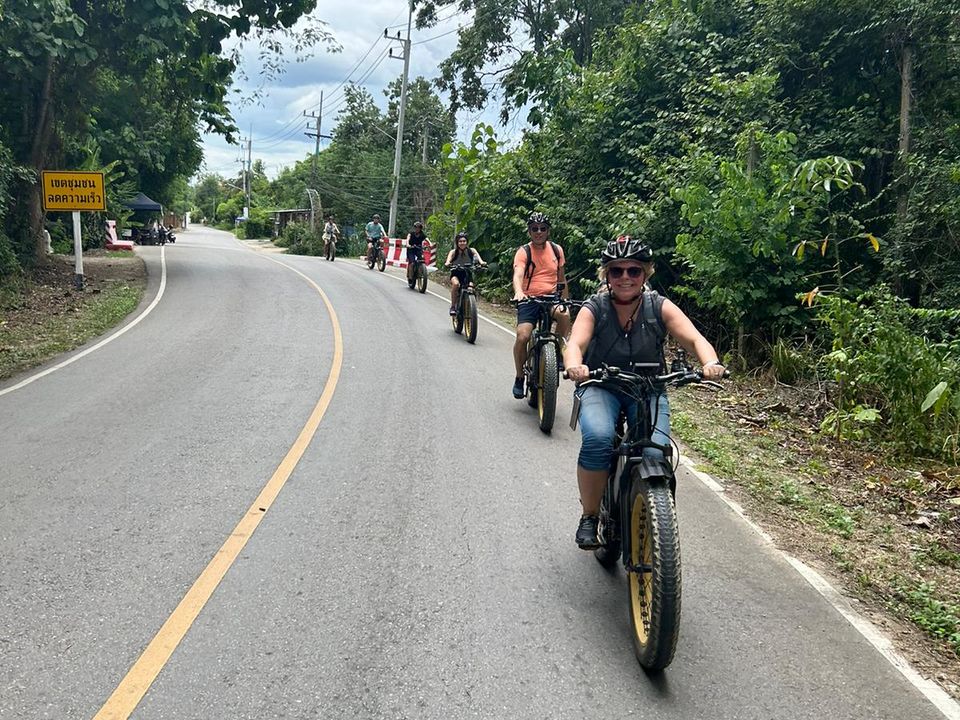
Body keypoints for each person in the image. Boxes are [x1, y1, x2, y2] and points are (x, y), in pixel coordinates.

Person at [563, 235, 726, 549]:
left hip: (649, 387)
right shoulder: (594, 307)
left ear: (646, 274)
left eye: (633, 271)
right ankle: (590, 516)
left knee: (655, 453)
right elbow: (576, 344)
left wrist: (710, 363)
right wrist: (575, 366)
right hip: (602, 385)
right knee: (597, 438)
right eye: (617, 271)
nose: (625, 277)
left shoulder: (659, 306)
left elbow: (694, 339)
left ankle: (656, 516)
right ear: (606, 276)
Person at [511, 211, 570, 399]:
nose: (538, 232)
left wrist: (565, 299)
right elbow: (518, 274)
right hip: (528, 299)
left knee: (565, 315)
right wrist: (519, 292)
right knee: (523, 336)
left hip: (551, 297)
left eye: (542, 228)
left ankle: (557, 351)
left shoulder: (556, 250)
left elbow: (561, 279)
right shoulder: (524, 251)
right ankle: (520, 376)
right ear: (529, 231)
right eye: (534, 229)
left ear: (548, 231)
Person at [445, 231, 487, 315]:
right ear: (457, 243)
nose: (462, 243)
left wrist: (482, 263)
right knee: (456, 284)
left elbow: (479, 259)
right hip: (456, 273)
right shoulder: (453, 252)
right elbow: (448, 260)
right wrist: (448, 263)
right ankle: (453, 306)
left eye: (464, 241)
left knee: (471, 287)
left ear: (467, 242)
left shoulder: (471, 251)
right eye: (460, 241)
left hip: (467, 273)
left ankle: (471, 306)